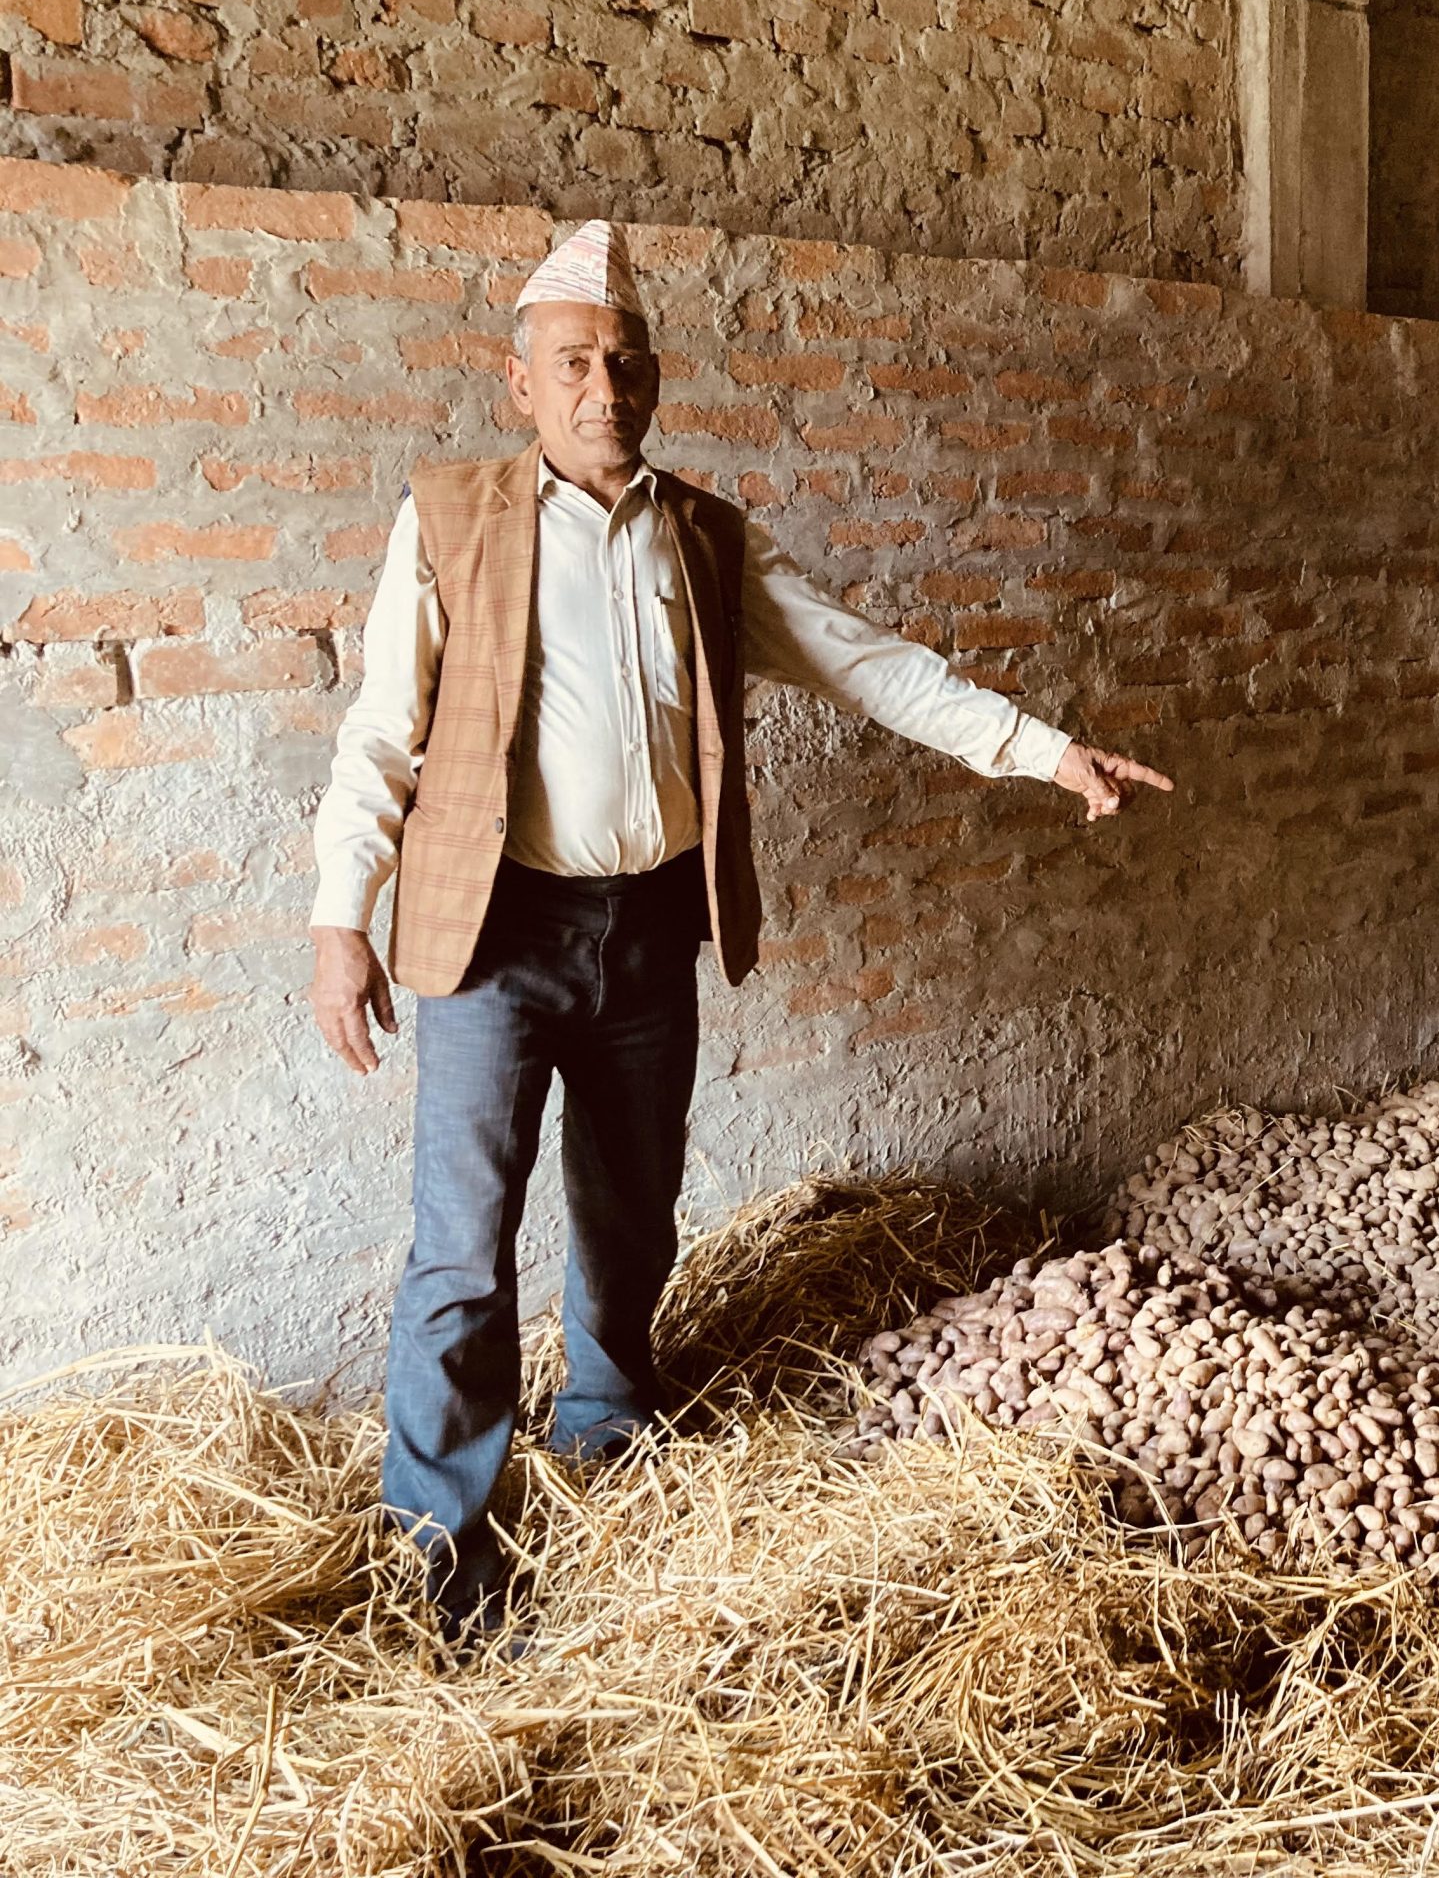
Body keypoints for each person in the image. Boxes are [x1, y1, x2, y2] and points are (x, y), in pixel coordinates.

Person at [304, 220, 1172, 1649]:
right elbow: (380, 733)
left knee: (631, 1213)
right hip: (494, 930)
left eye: (626, 363)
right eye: (573, 364)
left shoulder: (703, 537)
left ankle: (605, 1433)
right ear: (519, 382)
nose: (604, 388)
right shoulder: (451, 519)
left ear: (654, 379)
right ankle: (440, 1553)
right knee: (462, 1248)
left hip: (651, 928)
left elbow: (867, 664)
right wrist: (342, 917)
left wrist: (1043, 749)